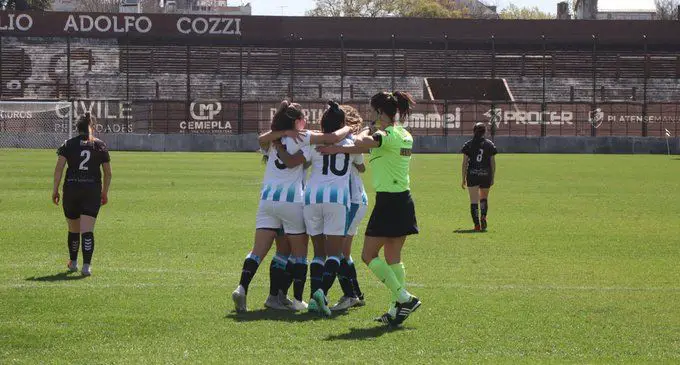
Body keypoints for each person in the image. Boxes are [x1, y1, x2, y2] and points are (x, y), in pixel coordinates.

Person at [231, 100, 351, 313]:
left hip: (267, 200)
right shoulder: (301, 136)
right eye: (304, 119)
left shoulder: (274, 139)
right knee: (300, 254)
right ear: (297, 121)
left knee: (261, 251)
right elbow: (332, 138)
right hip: (292, 199)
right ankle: (296, 299)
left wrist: (280, 132)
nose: (306, 122)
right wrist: (350, 126)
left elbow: (261, 139)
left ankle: (245, 288)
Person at [351, 91, 421, 326]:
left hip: (388, 202)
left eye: (373, 111)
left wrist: (367, 128)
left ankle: (404, 297)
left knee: (368, 255)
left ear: (380, 112)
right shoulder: (405, 134)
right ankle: (395, 310)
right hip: (403, 200)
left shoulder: (386, 135)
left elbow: (361, 143)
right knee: (393, 257)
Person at [284, 101, 359, 316]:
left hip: (311, 198)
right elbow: (360, 165)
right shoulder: (351, 142)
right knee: (335, 254)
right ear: (342, 123)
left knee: (318, 253)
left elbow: (299, 161)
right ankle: (320, 292)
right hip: (337, 199)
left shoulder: (314, 142)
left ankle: (315, 295)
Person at [52, 113, 112, 277]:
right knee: (87, 230)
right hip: (92, 190)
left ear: (77, 128)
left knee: (73, 229)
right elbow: (108, 173)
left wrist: (55, 189)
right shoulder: (99, 145)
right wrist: (104, 192)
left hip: (71, 189)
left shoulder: (68, 144)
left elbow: (59, 169)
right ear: (91, 127)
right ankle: (86, 266)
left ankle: (73, 263)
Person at [322, 105, 368, 312]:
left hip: (350, 200)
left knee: (338, 250)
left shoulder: (326, 141)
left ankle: (349, 294)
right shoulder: (350, 142)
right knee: (344, 252)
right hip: (355, 199)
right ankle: (356, 293)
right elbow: (362, 166)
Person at [461, 122, 497, 231]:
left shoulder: (468, 144)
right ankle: (483, 216)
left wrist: (463, 179)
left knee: (473, 200)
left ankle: (476, 225)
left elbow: (464, 163)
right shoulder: (489, 144)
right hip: (486, 174)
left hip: (472, 174)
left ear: (473, 131)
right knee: (484, 198)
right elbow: (493, 163)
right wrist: (492, 177)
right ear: (485, 132)